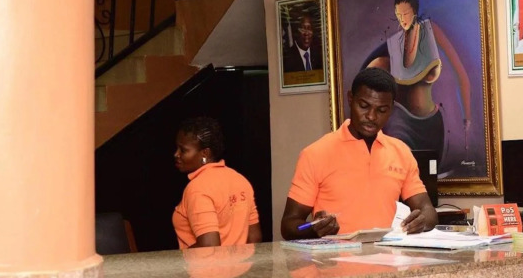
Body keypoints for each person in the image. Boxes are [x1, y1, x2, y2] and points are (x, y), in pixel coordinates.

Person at [280, 67, 438, 240]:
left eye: (381, 110)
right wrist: (312, 229)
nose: (371, 116)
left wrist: (422, 221)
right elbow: (289, 224)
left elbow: (427, 210)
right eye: (364, 106)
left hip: (388, 255)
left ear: (391, 109)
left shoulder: (401, 152)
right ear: (350, 99)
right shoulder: (315, 154)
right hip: (335, 256)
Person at [363, 0, 471, 164]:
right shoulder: (395, 43)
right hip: (400, 124)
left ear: (414, 11)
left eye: (405, 13)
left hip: (431, 125)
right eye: (398, 15)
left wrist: (467, 117)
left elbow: (461, 74)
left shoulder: (430, 30)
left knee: (428, 176)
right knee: (400, 174)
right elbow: (370, 70)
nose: (402, 19)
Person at [172, 116, 262, 249]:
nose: (176, 154)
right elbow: (254, 237)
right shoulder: (240, 180)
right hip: (242, 262)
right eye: (177, 148)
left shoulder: (197, 188)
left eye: (183, 150)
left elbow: (209, 246)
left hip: (203, 264)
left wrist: (175, 260)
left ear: (205, 153)